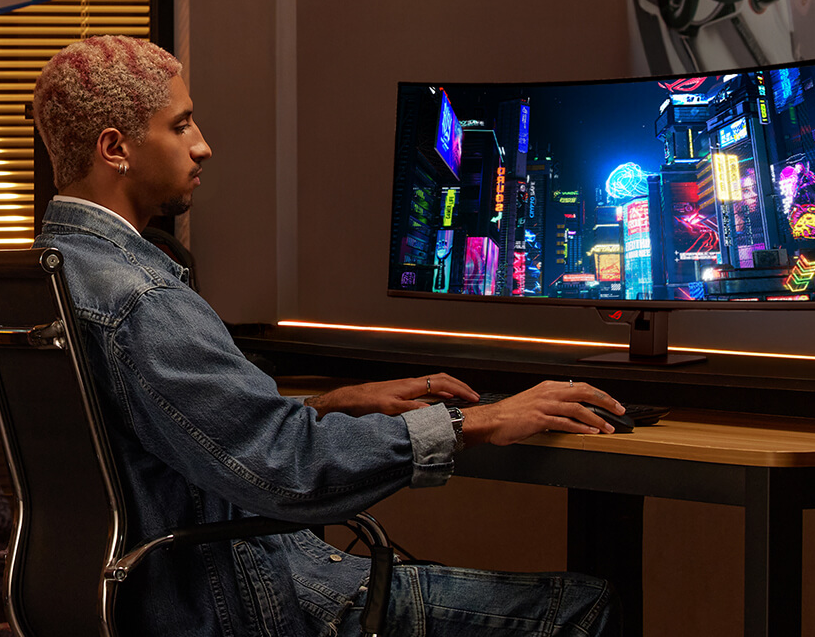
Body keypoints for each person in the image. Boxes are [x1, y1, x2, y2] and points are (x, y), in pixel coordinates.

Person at [31, 35, 624, 637]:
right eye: (180, 125)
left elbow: (168, 429)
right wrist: (478, 422)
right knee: (585, 608)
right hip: (238, 599)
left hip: (145, 598)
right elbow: (285, 471)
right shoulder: (141, 299)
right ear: (116, 149)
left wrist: (324, 406)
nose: (203, 146)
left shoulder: (49, 274)